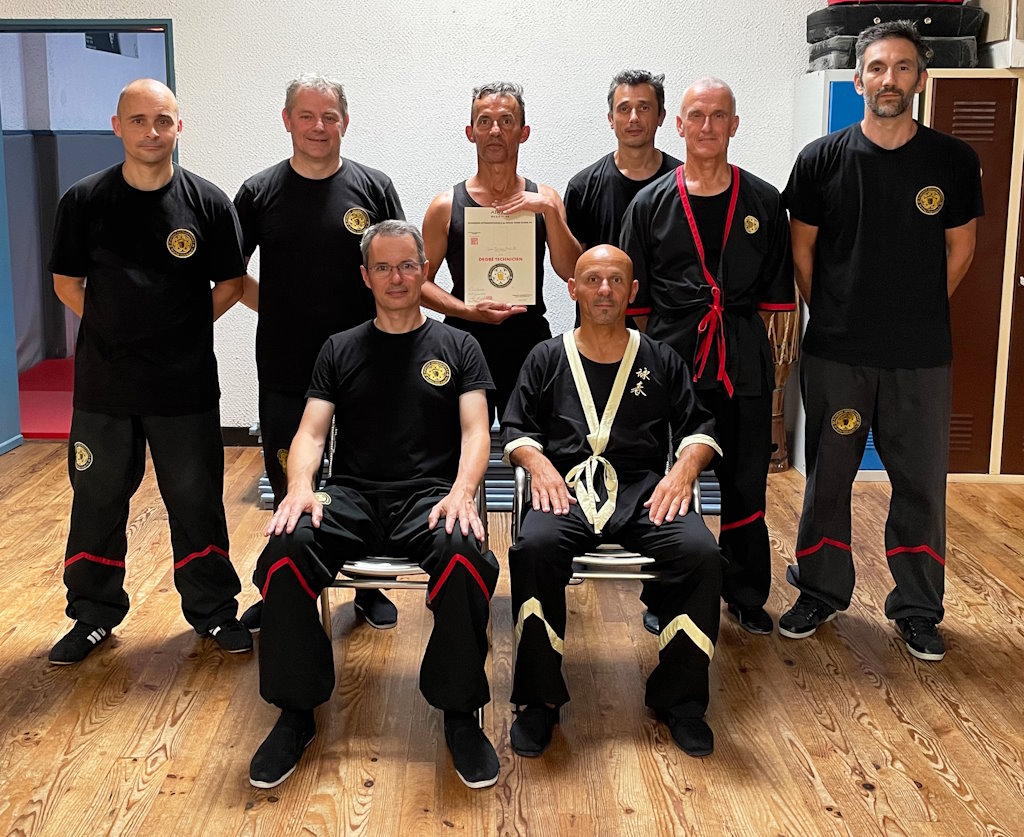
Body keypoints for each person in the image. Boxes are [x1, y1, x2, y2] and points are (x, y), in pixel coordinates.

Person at [248, 220, 501, 790]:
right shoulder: (340, 348)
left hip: (429, 497)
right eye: (383, 267)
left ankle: (460, 714)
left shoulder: (458, 345)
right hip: (352, 494)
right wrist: (299, 489)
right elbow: (311, 433)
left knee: (464, 553)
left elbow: (475, 431)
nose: (396, 277)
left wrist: (463, 492)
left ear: (424, 270)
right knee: (288, 544)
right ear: (365, 276)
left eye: (407, 265)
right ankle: (295, 712)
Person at [780, 22, 982, 661]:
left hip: (920, 358)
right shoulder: (821, 159)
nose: (888, 79)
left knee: (920, 482)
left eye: (901, 67)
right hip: (837, 354)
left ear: (919, 79)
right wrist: (838, 317)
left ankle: (919, 608)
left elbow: (961, 249)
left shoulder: (951, 160)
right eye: (876, 67)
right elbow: (802, 254)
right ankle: (819, 590)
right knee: (829, 478)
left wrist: (914, 312)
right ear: (859, 77)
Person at [47, 78, 251, 664]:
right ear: (117, 127)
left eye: (162, 120)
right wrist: (117, 330)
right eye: (137, 121)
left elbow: (232, 285)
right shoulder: (84, 201)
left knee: (195, 499)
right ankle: (92, 614)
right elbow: (66, 282)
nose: (151, 132)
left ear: (178, 127)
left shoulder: (208, 203)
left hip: (183, 385)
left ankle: (213, 612)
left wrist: (178, 332)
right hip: (104, 386)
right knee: (98, 498)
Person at [503, 244, 724, 758]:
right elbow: (515, 427)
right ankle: (539, 701)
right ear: (572, 288)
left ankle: (680, 700)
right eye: (593, 279)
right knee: (533, 547)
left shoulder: (659, 358)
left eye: (616, 280)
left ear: (632, 291)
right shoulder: (546, 357)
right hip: (565, 490)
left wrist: (683, 471)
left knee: (701, 553)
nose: (604, 290)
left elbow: (699, 426)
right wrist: (539, 466)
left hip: (644, 491)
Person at [621, 78, 794, 636]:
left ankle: (744, 592)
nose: (708, 126)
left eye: (720, 116)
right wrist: (665, 357)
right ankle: (666, 591)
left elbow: (771, 301)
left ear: (735, 125)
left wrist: (737, 342)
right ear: (679, 125)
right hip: (672, 361)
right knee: (667, 481)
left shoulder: (765, 201)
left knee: (746, 483)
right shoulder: (650, 203)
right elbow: (637, 304)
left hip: (741, 360)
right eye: (697, 115)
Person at [234, 73, 404, 631]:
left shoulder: (373, 188)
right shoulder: (258, 193)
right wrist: (280, 307)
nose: (317, 127)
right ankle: (284, 586)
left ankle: (369, 588)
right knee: (290, 480)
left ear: (344, 123)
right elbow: (234, 276)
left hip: (365, 367)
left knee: (365, 476)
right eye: (305, 116)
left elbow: (396, 265)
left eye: (329, 117)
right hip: (284, 364)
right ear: (286, 121)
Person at [421, 81, 581, 422]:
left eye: (507, 121)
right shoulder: (445, 206)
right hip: (464, 338)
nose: (495, 130)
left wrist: (550, 212)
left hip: (527, 340)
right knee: (460, 445)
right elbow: (419, 283)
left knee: (532, 442)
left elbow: (572, 273)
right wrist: (467, 310)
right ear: (470, 132)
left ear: (523, 132)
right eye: (484, 121)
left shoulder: (546, 198)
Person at [564, 69, 681, 258]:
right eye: (624, 109)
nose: (633, 118)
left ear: (661, 116)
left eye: (644, 108)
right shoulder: (583, 188)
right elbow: (574, 268)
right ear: (611, 119)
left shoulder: (685, 183)